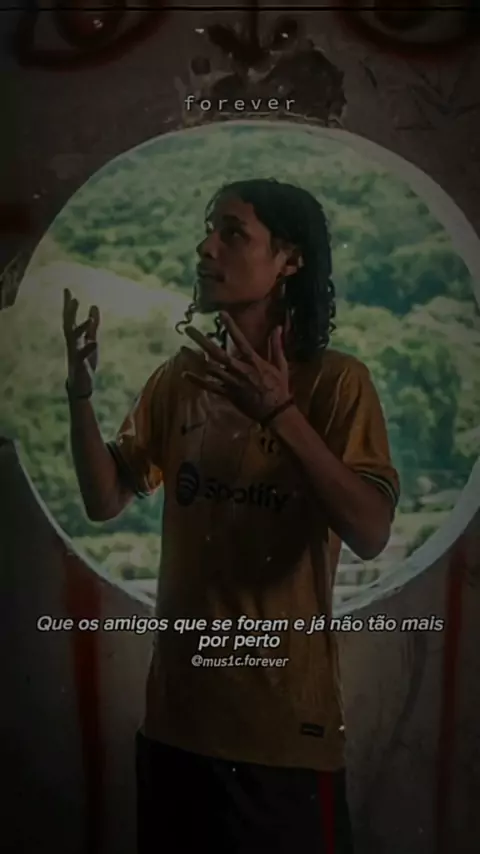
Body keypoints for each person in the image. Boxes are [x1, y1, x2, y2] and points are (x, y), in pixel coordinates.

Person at [63, 178, 399, 854]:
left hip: (284, 740)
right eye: (208, 230)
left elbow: (370, 532)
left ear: (290, 260)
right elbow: (106, 500)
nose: (206, 247)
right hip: (176, 728)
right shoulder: (180, 379)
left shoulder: (338, 384)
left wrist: (282, 414)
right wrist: (79, 394)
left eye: (232, 233)